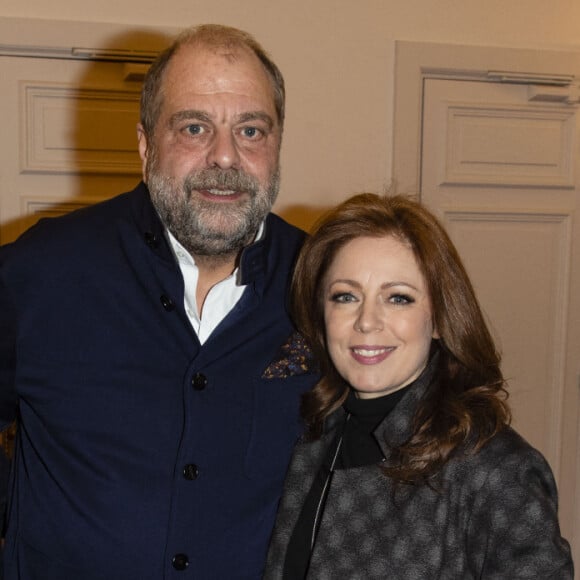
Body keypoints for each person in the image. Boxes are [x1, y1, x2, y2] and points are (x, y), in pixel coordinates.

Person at [0, 24, 318, 579]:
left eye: (250, 130)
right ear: (146, 144)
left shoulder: (322, 283)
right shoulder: (41, 272)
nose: (225, 157)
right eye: (194, 127)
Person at [264, 193, 574, 579]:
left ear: (441, 319)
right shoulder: (313, 437)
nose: (367, 321)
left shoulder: (496, 470)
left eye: (398, 298)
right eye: (346, 296)